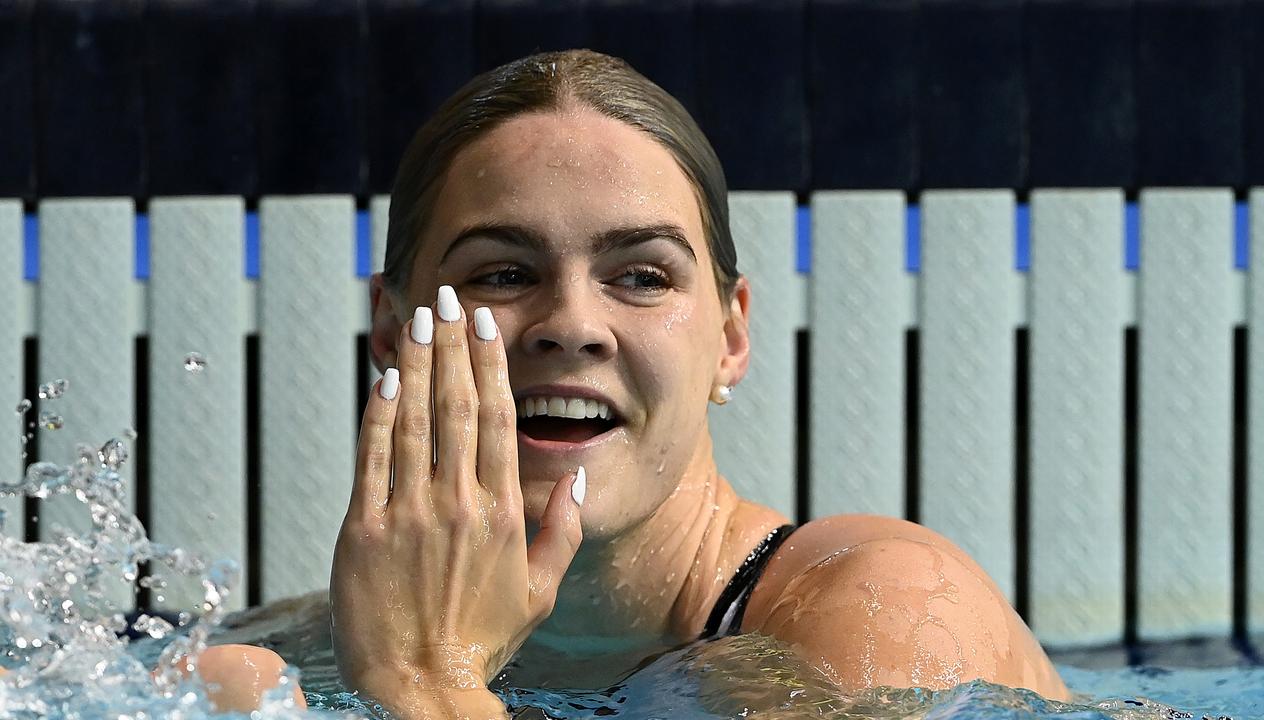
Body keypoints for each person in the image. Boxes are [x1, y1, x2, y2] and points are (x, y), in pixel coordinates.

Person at [322, 47, 1070, 719]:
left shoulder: (883, 609)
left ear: (731, 338)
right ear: (391, 330)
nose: (572, 324)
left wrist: (426, 687)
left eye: (643, 276)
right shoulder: (334, 643)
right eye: (505, 273)